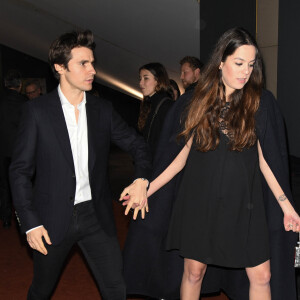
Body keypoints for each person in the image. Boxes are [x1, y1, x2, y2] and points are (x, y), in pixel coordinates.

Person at [122, 27, 300, 300]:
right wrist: (148, 188)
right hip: (200, 202)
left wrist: (287, 206)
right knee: (194, 272)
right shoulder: (195, 101)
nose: (245, 72)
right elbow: (178, 158)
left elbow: (267, 162)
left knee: (262, 275)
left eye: (251, 65)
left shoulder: (261, 102)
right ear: (221, 62)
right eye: (239, 63)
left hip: (246, 204)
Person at [9, 30, 151, 300]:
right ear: (60, 67)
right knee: (41, 289)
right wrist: (30, 223)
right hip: (50, 221)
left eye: (92, 63)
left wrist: (141, 180)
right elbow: (19, 172)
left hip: (95, 216)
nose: (92, 70)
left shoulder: (102, 110)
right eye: (83, 63)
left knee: (115, 288)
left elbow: (138, 145)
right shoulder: (37, 112)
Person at [0, 69, 27, 228]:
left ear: (5, 84)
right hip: (21, 152)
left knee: (4, 185)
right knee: (22, 185)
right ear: (20, 85)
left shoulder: (1, 103)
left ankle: (5, 218)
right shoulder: (26, 104)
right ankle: (23, 219)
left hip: (2, 151)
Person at [138, 63, 173, 157]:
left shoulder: (166, 106)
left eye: (146, 78)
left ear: (158, 80)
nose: (140, 83)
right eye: (140, 78)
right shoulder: (150, 104)